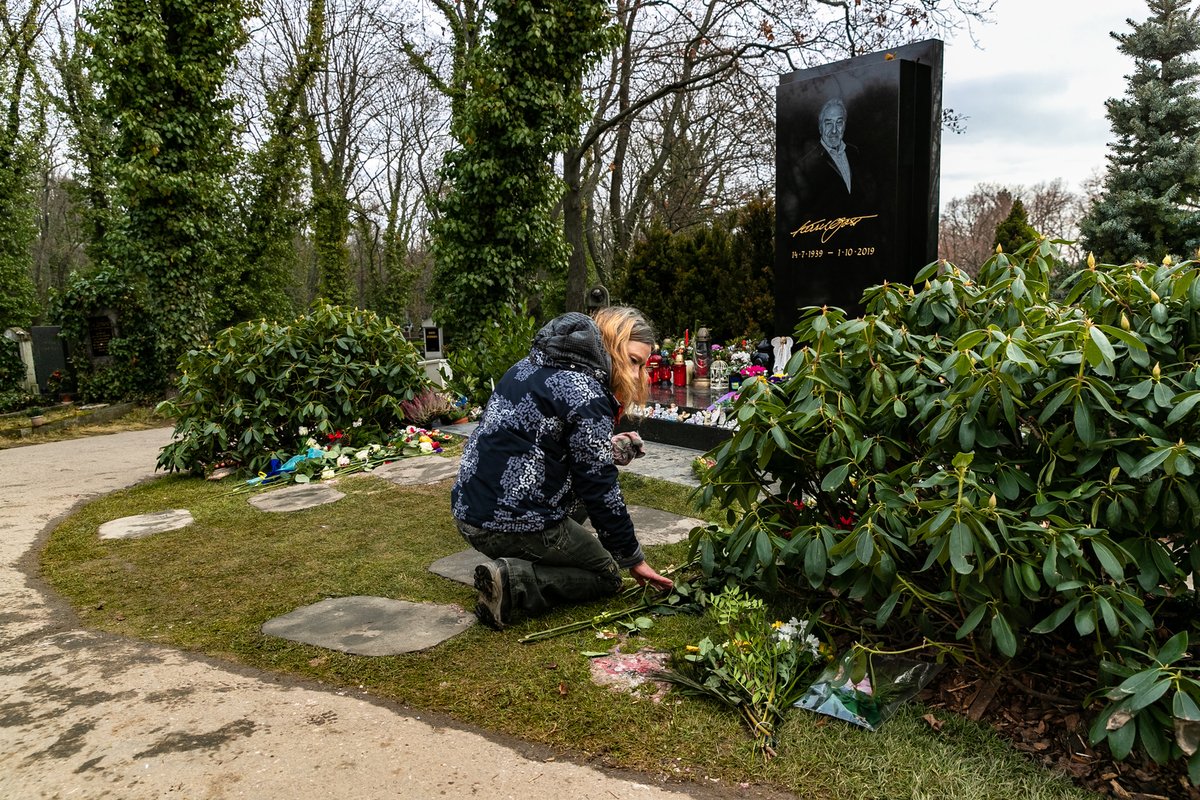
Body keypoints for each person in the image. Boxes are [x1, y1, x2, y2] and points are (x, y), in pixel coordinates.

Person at [451, 307, 674, 629]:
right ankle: (512, 581)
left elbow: (535, 441)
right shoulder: (587, 394)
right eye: (634, 360)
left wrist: (605, 448)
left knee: (585, 489)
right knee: (606, 575)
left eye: (643, 364)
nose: (638, 375)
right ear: (610, 344)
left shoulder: (529, 365)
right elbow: (600, 489)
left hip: (471, 512)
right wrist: (633, 559)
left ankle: (528, 555)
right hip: (506, 523)